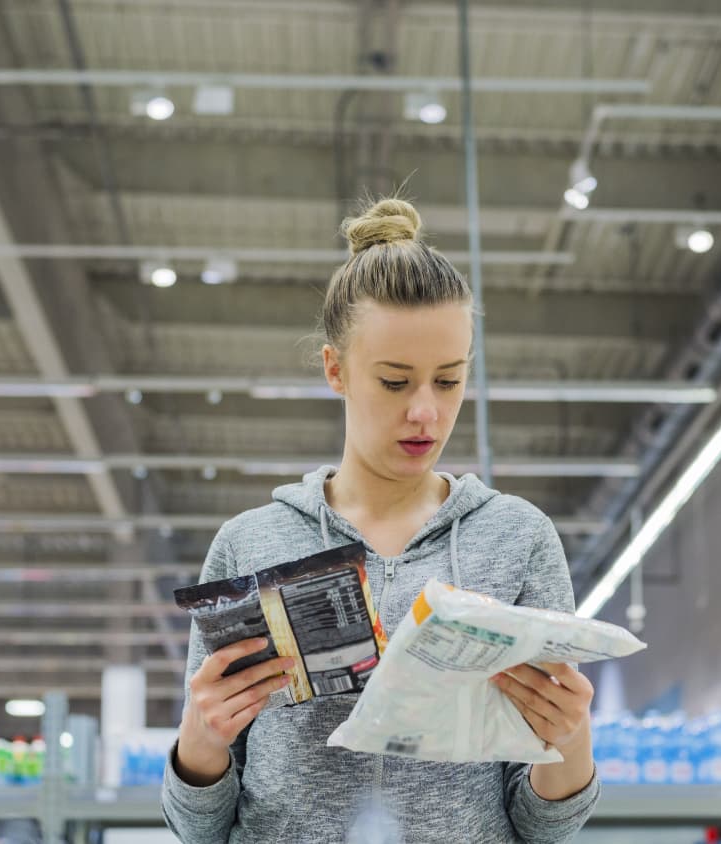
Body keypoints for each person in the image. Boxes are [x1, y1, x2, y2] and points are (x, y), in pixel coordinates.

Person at [162, 198, 601, 843]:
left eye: (448, 382)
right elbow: (197, 829)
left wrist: (572, 737)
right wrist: (200, 743)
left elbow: (547, 828)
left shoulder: (518, 538)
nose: (425, 412)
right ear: (335, 370)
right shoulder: (250, 544)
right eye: (395, 382)